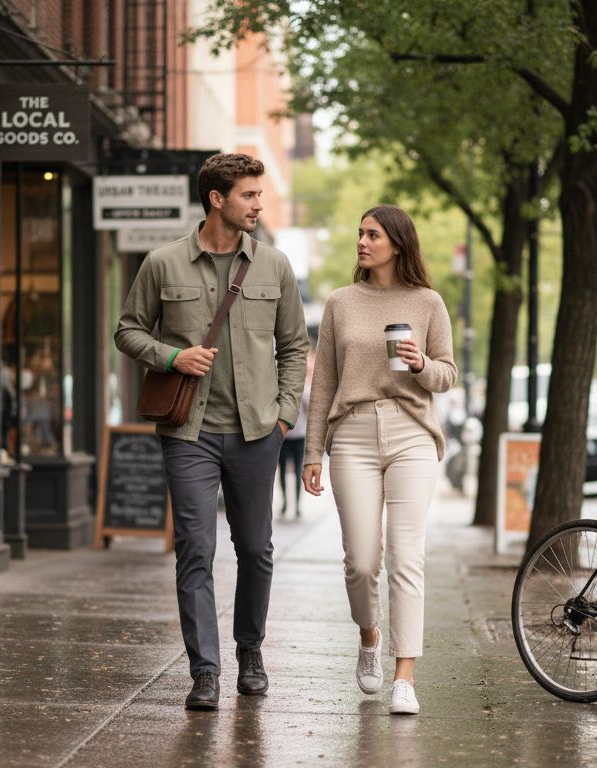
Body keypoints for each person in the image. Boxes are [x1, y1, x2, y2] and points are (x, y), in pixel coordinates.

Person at [114, 153, 309, 712]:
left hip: (256, 432)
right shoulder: (162, 263)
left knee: (255, 549)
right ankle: (205, 670)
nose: (258, 204)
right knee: (194, 548)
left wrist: (283, 415)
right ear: (217, 199)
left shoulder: (274, 266)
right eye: (249, 195)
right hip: (188, 433)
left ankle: (250, 650)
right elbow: (128, 331)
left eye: (259, 195)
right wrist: (173, 356)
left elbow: (294, 347)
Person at [301, 205, 456, 716]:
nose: (362, 242)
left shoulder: (428, 302)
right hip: (353, 435)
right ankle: (369, 635)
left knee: (406, 557)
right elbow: (323, 382)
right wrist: (313, 451)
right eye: (360, 233)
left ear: (398, 243)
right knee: (362, 560)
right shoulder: (341, 303)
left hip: (412, 432)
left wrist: (422, 364)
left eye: (373, 234)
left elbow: (448, 375)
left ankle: (404, 675)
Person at [276, 354, 312, 518]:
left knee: (295, 470)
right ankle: (287, 503)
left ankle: (295, 505)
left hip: (297, 436)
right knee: (286, 470)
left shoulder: (305, 389)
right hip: (285, 436)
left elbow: (310, 411)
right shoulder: (281, 388)